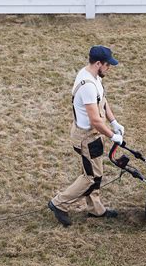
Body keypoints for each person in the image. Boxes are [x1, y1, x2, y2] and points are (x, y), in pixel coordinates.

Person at [48, 45, 125, 227]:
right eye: (107, 65)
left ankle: (96, 209)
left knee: (94, 172)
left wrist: (114, 121)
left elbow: (103, 101)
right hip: (86, 138)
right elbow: (95, 121)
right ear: (98, 63)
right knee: (91, 177)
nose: (109, 68)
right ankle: (59, 203)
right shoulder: (87, 86)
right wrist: (113, 136)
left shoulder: (95, 77)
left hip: (92, 136)